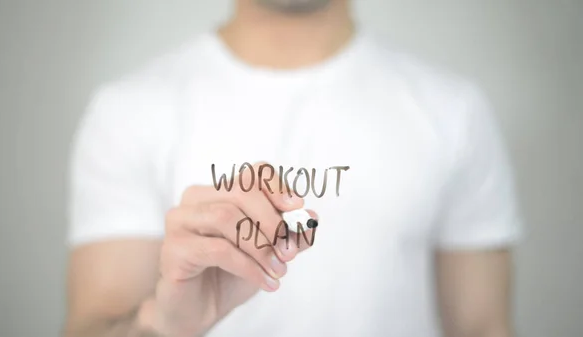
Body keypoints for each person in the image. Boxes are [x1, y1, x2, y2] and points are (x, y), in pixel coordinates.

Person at [63, 0, 523, 336]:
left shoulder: (454, 111)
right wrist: (164, 325)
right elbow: (92, 324)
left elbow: (483, 327)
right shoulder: (128, 112)